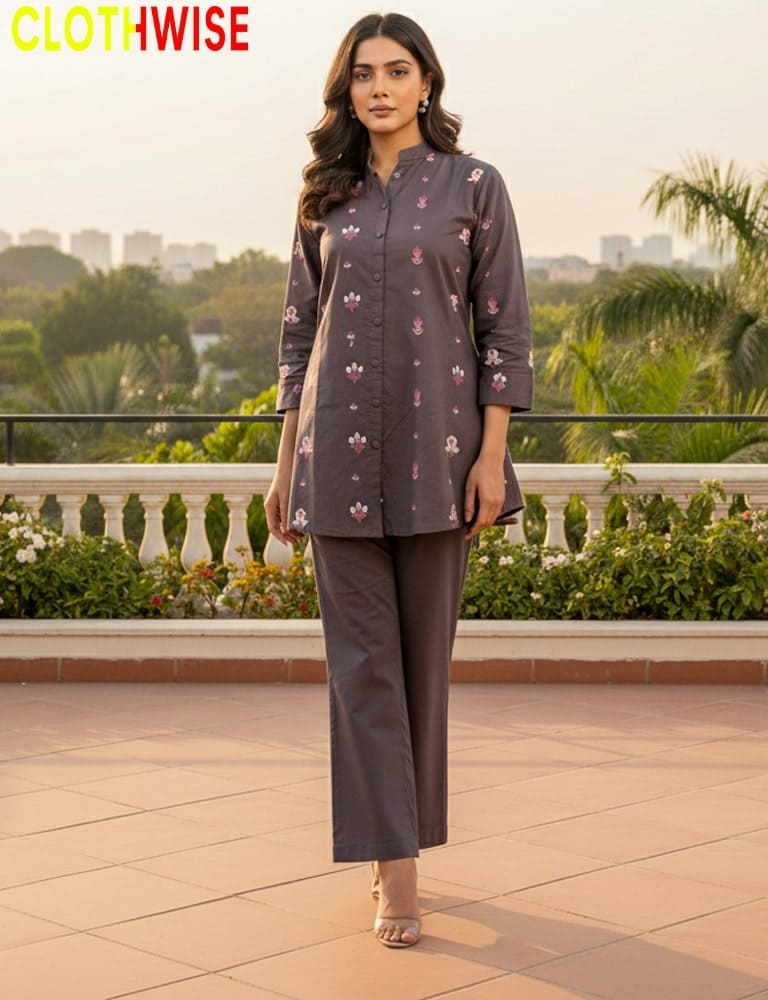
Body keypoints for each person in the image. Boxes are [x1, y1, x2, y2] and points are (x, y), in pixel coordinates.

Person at [265, 11, 533, 948]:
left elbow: (504, 333)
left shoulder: (474, 187)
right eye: (363, 74)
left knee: (422, 668)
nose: (379, 87)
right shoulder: (321, 199)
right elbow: (299, 337)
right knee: (360, 671)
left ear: (427, 83)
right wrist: (283, 458)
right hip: (332, 455)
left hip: (439, 457)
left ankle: (404, 844)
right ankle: (397, 873)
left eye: (397, 70)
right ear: (346, 90)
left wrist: (492, 456)